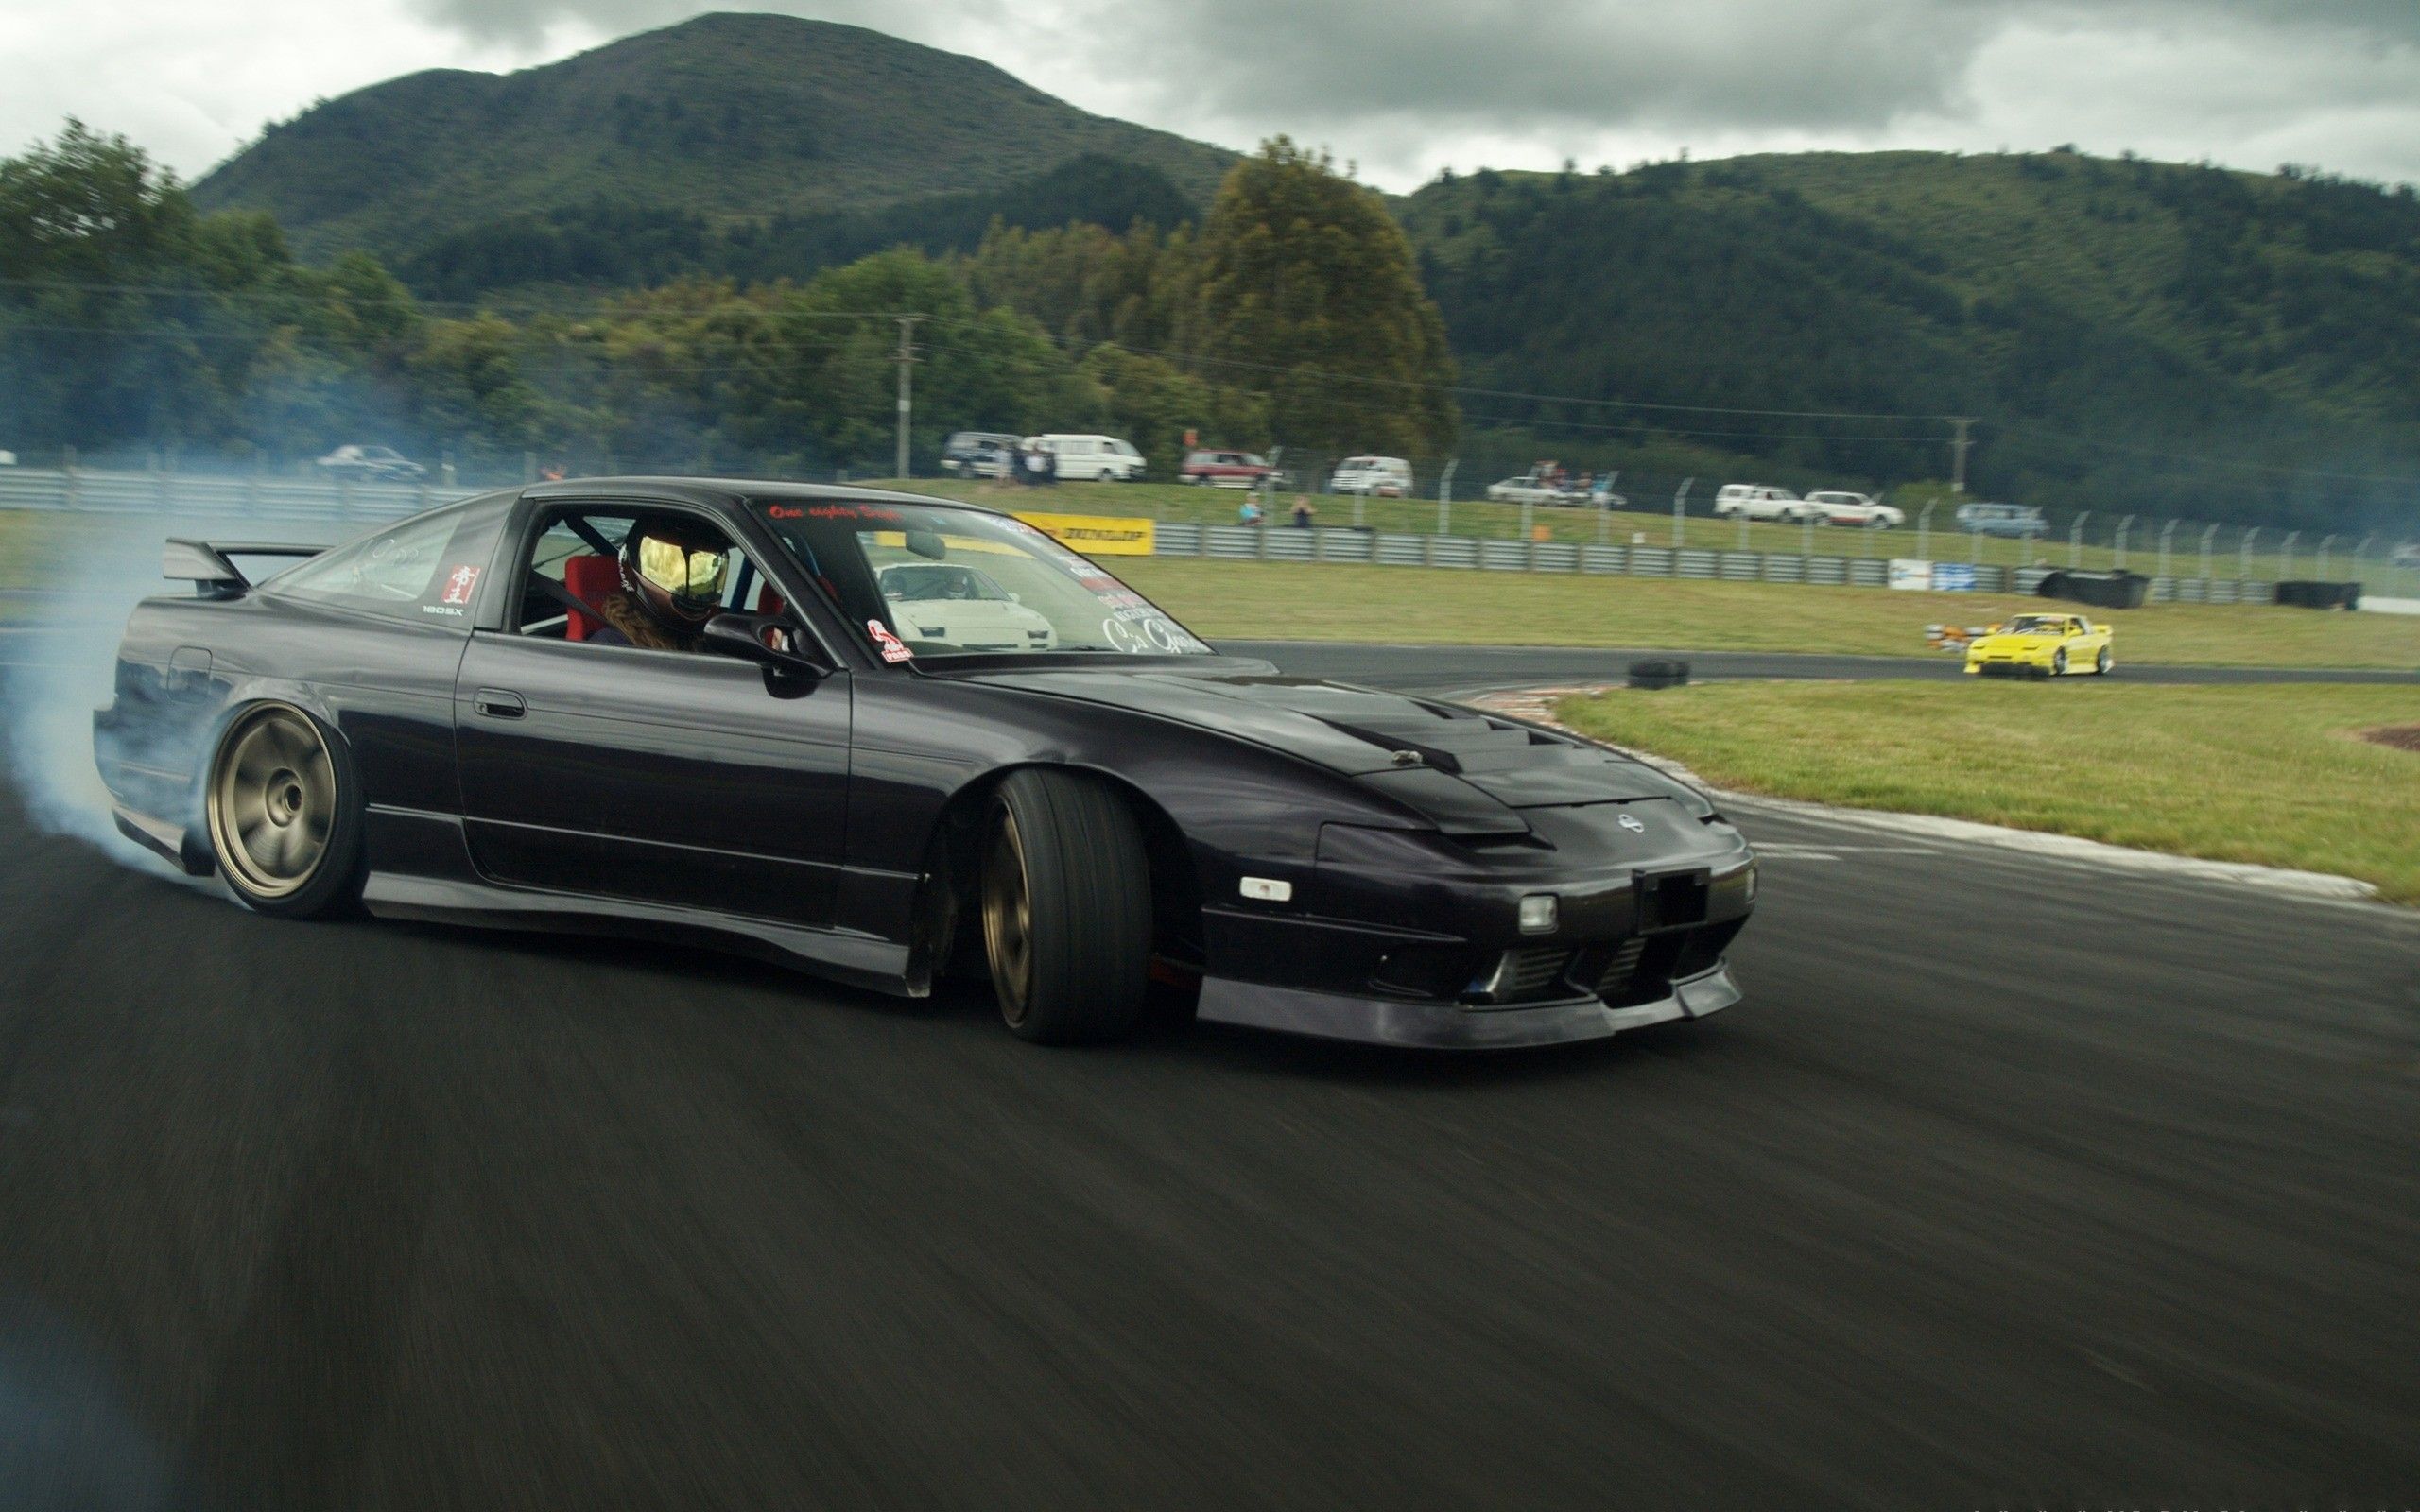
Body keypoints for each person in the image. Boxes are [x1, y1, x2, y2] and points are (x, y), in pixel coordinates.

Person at [591, 513, 730, 653]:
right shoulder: (612, 645)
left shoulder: (705, 638)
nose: (688, 590)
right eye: (669, 568)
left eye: (701, 574)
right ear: (630, 564)